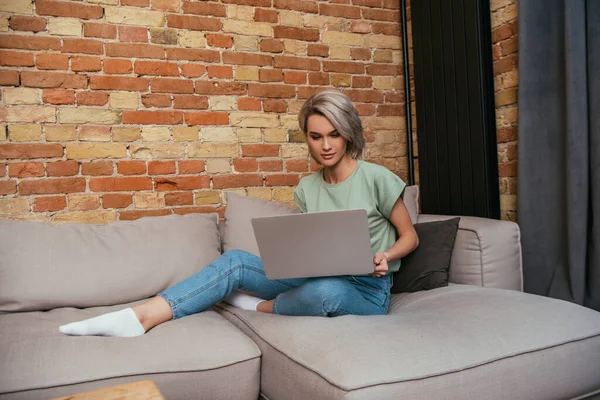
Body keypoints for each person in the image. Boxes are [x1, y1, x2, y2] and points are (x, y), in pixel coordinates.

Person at [59, 90, 419, 338]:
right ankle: (141, 317)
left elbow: (410, 237)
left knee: (326, 291)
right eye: (315, 136)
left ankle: (260, 308)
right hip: (315, 277)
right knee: (235, 262)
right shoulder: (306, 188)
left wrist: (385, 255)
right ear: (306, 138)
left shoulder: (376, 178)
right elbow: (314, 246)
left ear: (348, 134)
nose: (325, 145)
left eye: (334, 135)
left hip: (366, 289)